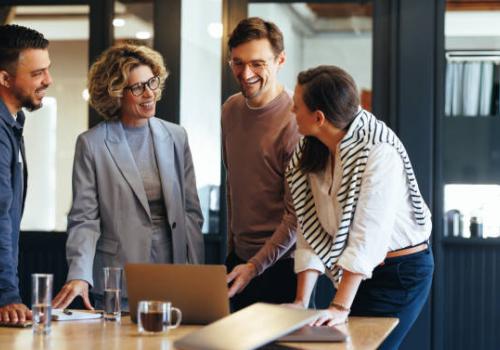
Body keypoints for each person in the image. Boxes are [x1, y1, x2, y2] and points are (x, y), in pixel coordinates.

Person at [287, 65, 434, 349]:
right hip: (356, 272)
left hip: (400, 274)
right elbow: (309, 226)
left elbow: (369, 236)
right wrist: (300, 302)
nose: (291, 112)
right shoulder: (311, 149)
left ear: (318, 118)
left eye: (296, 107)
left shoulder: (379, 151)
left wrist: (340, 308)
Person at [53, 43, 204, 310]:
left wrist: (196, 274)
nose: (149, 93)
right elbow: (84, 218)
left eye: (152, 83)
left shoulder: (176, 136)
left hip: (173, 274)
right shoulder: (92, 144)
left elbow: (191, 212)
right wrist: (79, 274)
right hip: (118, 277)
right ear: (116, 94)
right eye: (137, 88)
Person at [222, 17, 300, 311]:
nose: (246, 73)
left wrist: (255, 265)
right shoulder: (230, 110)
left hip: (284, 267)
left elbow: (296, 216)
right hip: (238, 262)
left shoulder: (296, 120)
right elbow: (234, 184)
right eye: (237, 63)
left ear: (280, 60)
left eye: (258, 63)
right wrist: (234, 254)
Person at [0, 25, 52, 324]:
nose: (48, 80)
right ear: (5, 78)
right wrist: (6, 295)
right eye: (37, 74)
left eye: (47, 69)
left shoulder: (12, 121)